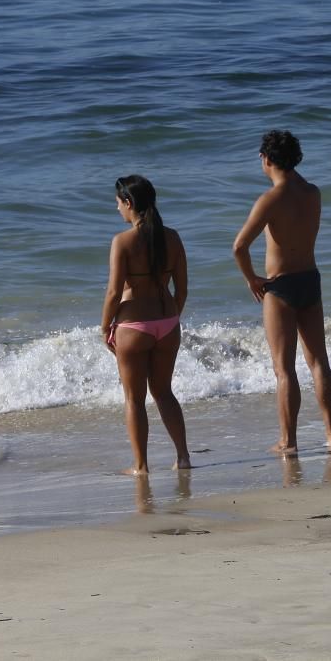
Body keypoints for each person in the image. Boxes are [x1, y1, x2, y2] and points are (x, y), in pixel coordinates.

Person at [233, 129, 331, 456]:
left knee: (284, 368)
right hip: (310, 279)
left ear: (266, 159)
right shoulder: (313, 192)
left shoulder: (270, 199)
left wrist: (252, 278)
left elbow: (239, 246)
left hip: (279, 286)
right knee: (319, 361)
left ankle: (289, 441)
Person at [101, 175, 191, 475]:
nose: (117, 210)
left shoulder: (122, 242)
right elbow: (182, 290)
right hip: (167, 323)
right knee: (164, 393)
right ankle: (183, 457)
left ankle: (140, 466)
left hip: (133, 326)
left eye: (118, 203)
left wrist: (104, 327)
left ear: (129, 203)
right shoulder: (173, 237)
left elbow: (114, 293)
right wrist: (170, 318)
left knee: (134, 400)